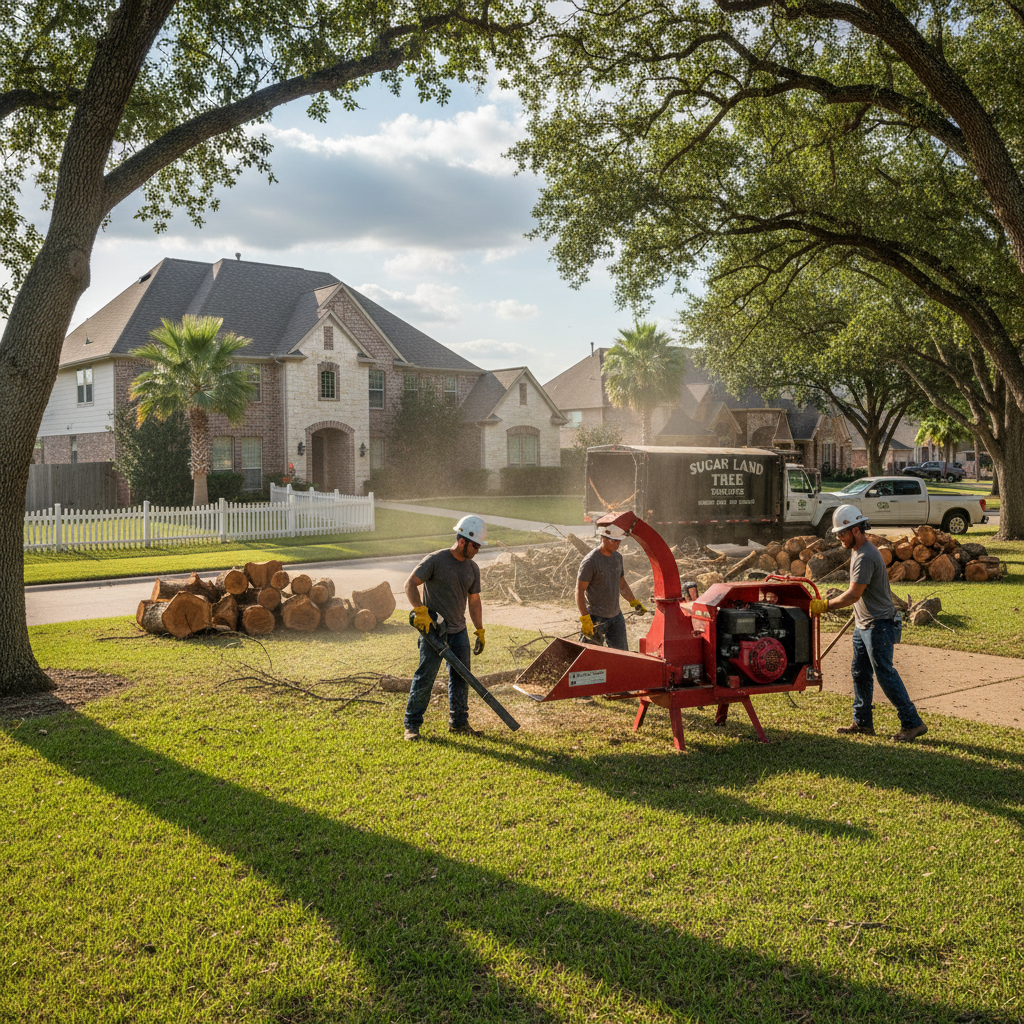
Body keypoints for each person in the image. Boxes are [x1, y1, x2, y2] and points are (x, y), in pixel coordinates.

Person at [809, 504, 927, 742]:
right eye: (838, 534)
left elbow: (853, 595)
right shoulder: (857, 551)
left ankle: (912, 723)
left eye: (842, 533)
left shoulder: (865, 556)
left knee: (885, 674)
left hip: (879, 625)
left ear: (855, 530)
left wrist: (825, 605)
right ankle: (862, 722)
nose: (839, 538)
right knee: (860, 672)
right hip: (864, 625)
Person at [403, 515, 488, 742]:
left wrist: (479, 630)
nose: (478, 550)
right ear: (462, 542)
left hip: (458, 632)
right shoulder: (437, 560)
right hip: (434, 632)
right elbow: (410, 584)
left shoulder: (473, 568)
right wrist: (420, 611)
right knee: (425, 677)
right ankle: (411, 725)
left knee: (461, 678)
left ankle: (459, 723)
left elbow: (475, 601)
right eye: (475, 545)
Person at [575, 521, 647, 651]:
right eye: (613, 541)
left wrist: (634, 602)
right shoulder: (590, 561)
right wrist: (585, 619)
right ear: (603, 538)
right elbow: (580, 591)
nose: (617, 544)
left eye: (618, 541)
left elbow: (622, 584)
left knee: (622, 654)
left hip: (616, 617)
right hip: (596, 617)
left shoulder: (617, 558)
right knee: (589, 655)